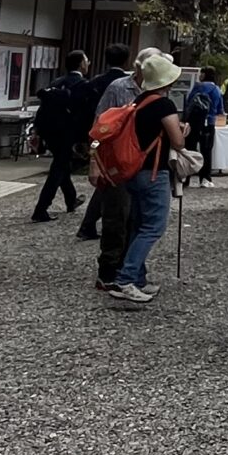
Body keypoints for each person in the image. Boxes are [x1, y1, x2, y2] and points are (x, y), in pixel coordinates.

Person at [100, 51, 187, 307]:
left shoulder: (139, 101)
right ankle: (127, 279)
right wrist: (184, 131)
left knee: (138, 225)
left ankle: (136, 277)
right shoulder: (163, 105)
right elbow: (178, 142)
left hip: (133, 170)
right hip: (154, 172)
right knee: (153, 227)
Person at [76, 47, 136, 261]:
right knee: (114, 197)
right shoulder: (121, 85)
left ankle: (89, 225)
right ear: (128, 61)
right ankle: (112, 259)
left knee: (106, 188)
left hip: (99, 138)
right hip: (116, 147)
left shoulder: (95, 82)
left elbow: (90, 113)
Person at [30, 51, 97, 223]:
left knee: (62, 165)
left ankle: (71, 199)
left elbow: (43, 108)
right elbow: (86, 114)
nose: (88, 63)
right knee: (58, 168)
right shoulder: (83, 85)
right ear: (81, 64)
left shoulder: (56, 82)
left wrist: (37, 130)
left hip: (49, 131)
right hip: (68, 132)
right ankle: (41, 208)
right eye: (86, 60)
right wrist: (86, 138)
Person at [183, 66, 225, 179]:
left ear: (204, 75)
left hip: (194, 121)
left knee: (190, 148)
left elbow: (189, 102)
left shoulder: (197, 87)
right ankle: (205, 178)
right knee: (206, 150)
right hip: (209, 122)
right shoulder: (216, 89)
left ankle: (187, 176)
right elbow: (220, 110)